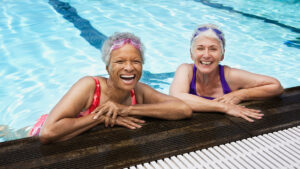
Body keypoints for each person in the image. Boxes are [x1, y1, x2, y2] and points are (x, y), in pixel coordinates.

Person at [31, 32, 192, 144]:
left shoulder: (139, 91)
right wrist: (101, 117)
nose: (129, 68)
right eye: (120, 62)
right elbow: (48, 133)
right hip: (44, 128)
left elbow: (183, 109)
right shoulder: (89, 87)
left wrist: (125, 110)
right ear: (108, 68)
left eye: (135, 61)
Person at [170, 24, 283, 122]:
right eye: (200, 48)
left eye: (213, 49)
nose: (206, 55)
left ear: (222, 55)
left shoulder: (230, 76)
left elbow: (276, 86)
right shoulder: (185, 70)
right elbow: (176, 97)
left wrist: (240, 94)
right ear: (191, 54)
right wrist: (225, 107)